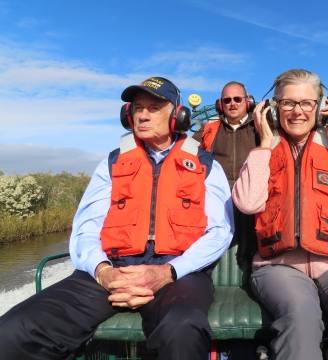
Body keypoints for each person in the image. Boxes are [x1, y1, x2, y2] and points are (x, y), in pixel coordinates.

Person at [0, 77, 234, 360]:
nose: (143, 115)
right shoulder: (112, 163)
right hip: (113, 269)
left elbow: (220, 231)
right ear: (128, 115)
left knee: (182, 328)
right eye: (137, 108)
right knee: (15, 329)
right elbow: (87, 227)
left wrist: (168, 272)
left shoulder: (206, 164)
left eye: (155, 107)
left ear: (178, 115)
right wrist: (103, 272)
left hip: (177, 275)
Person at [232, 69, 328, 359]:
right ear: (273, 108)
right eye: (287, 103)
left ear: (321, 107)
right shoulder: (263, 149)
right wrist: (265, 145)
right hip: (278, 267)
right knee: (299, 316)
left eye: (306, 103)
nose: (296, 111)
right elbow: (247, 203)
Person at [193, 81, 259, 260]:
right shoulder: (208, 129)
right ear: (220, 104)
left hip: (253, 199)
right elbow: (184, 152)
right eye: (227, 100)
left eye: (237, 99)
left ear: (248, 102)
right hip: (217, 200)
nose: (232, 103)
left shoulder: (261, 127)